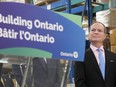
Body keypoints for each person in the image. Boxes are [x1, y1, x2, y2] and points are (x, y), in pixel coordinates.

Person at [74, 21, 116, 87]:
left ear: (105, 36)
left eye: (99, 30)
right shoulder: (81, 56)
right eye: (93, 30)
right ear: (89, 34)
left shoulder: (113, 57)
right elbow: (79, 83)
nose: (96, 32)